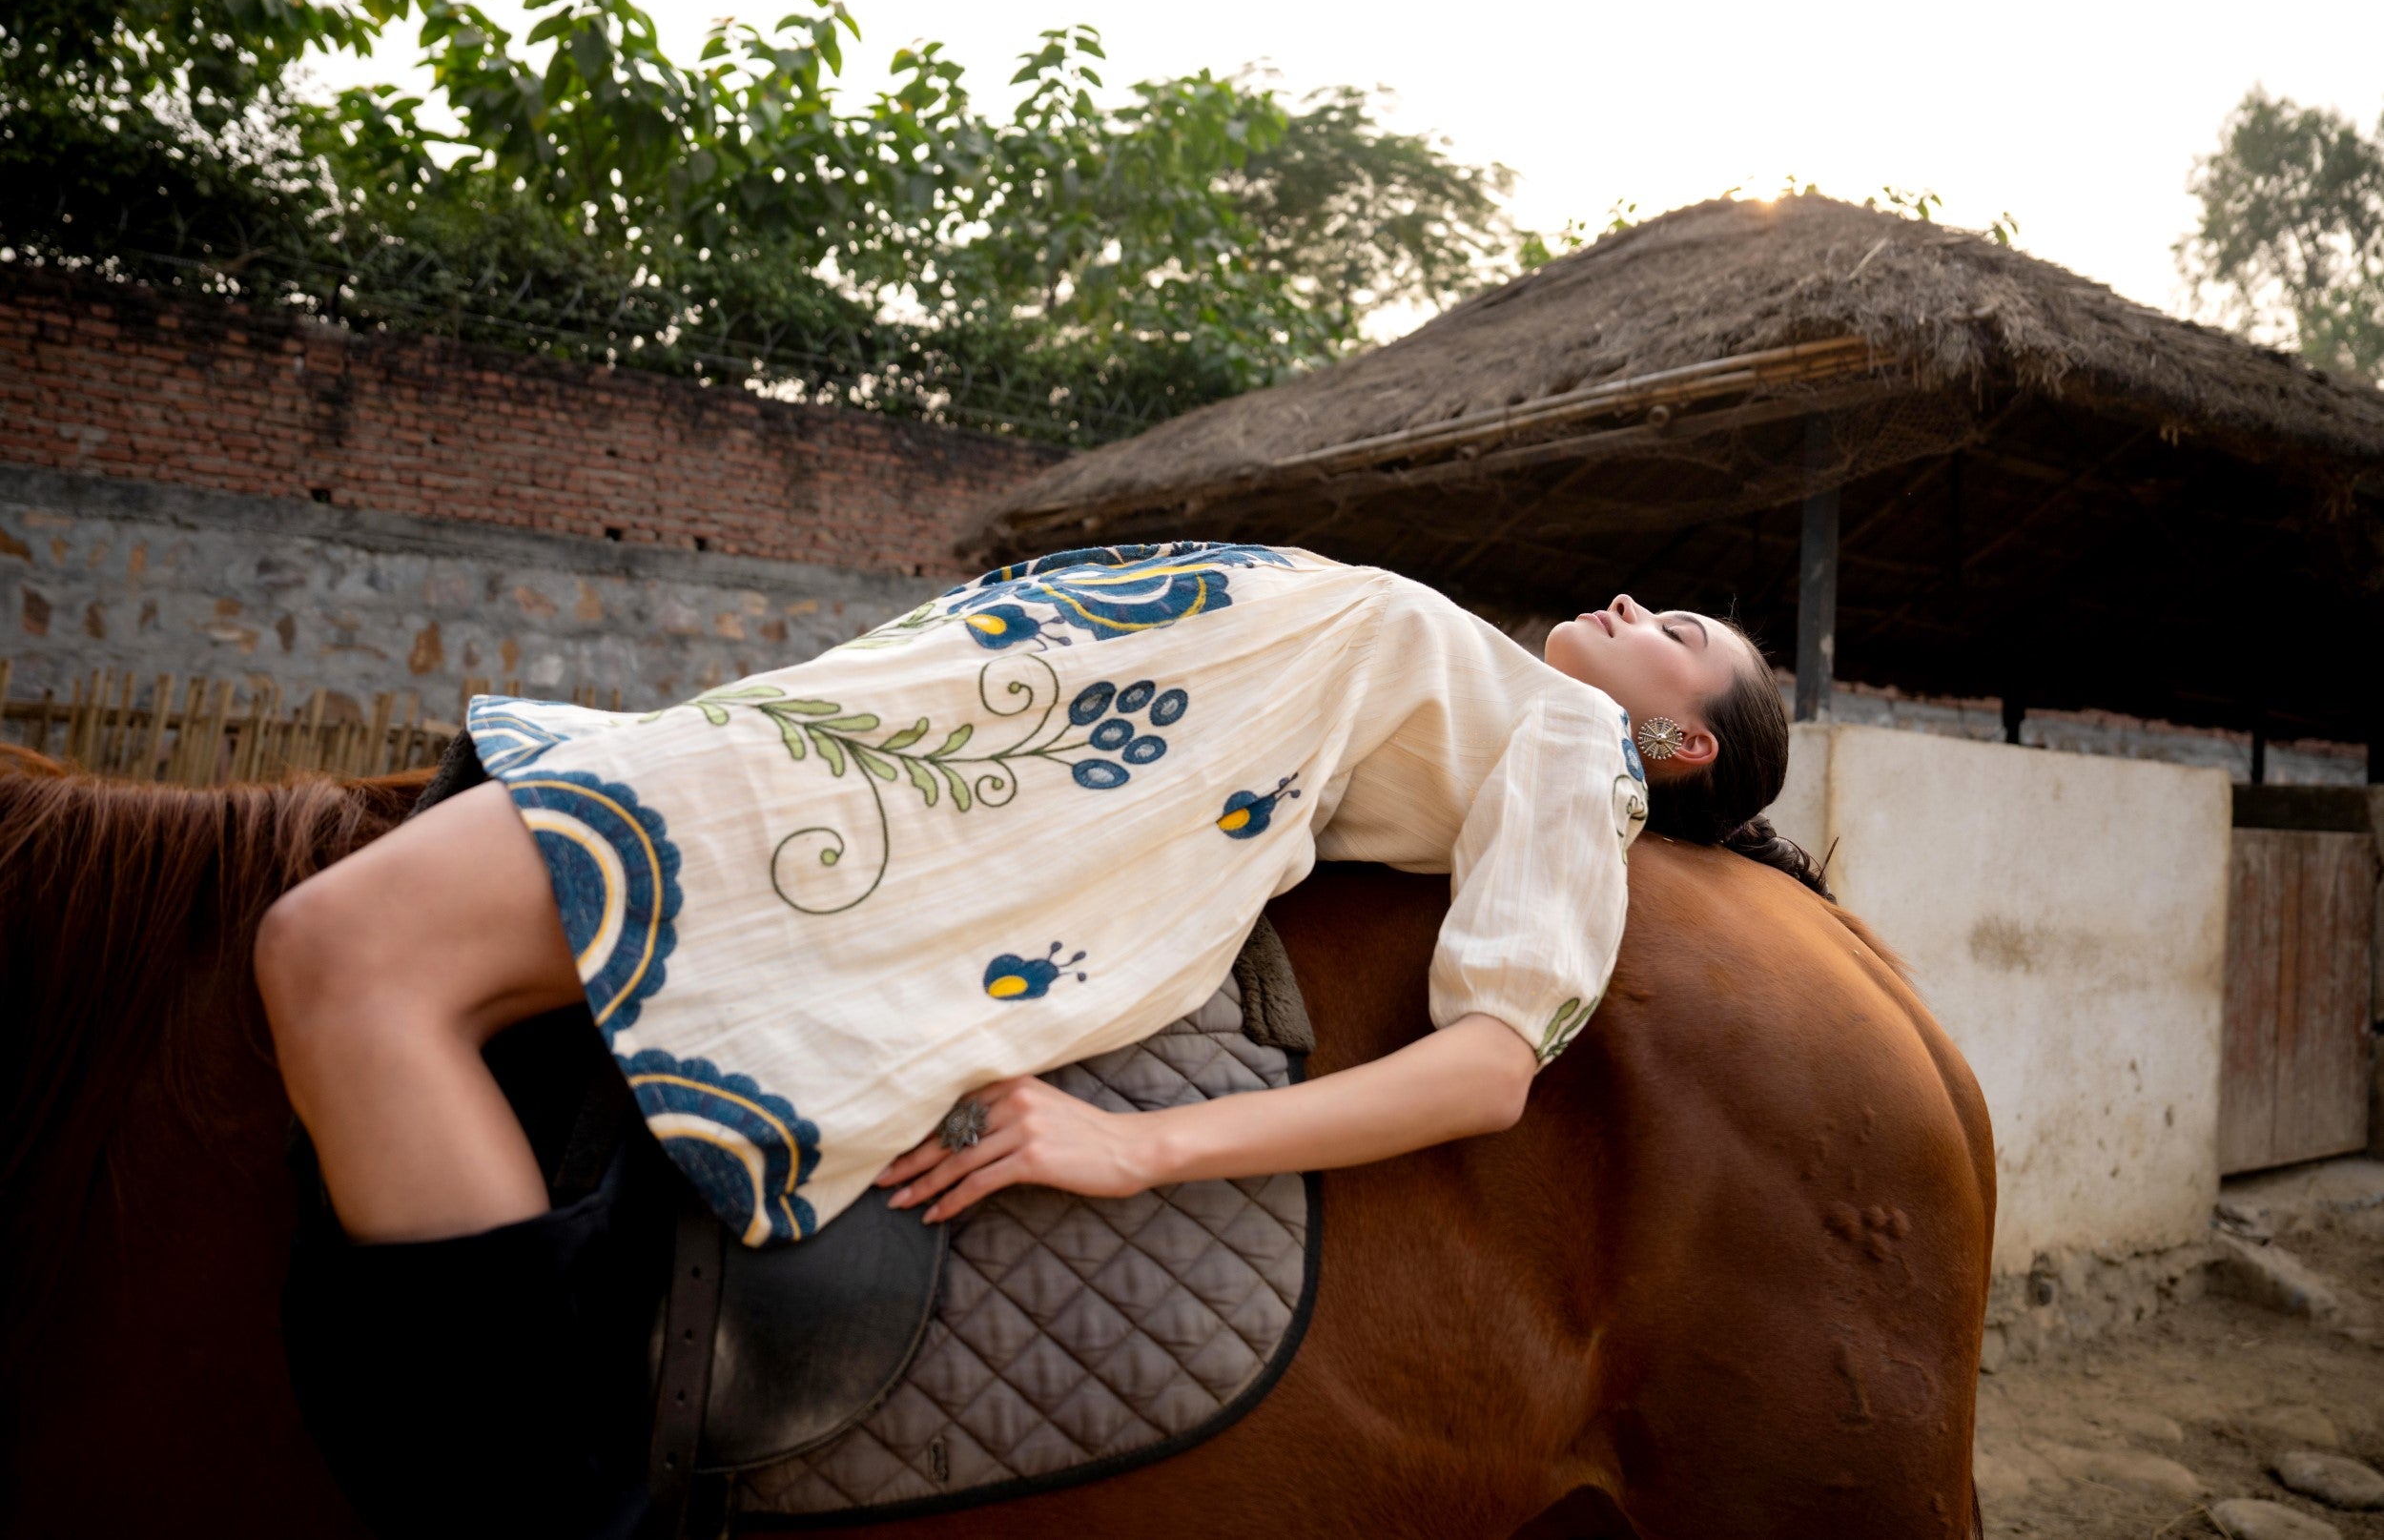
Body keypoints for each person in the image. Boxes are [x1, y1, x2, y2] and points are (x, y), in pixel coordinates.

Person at [256, 543, 1822, 1536]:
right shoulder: (1508, 693)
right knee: (349, 948)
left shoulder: (1575, 750)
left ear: (1674, 742)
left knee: (344, 952)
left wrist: (1136, 1145)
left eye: (1675, 629)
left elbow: (1491, 1067)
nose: (1629, 603)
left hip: (948, 796)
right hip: (940, 732)